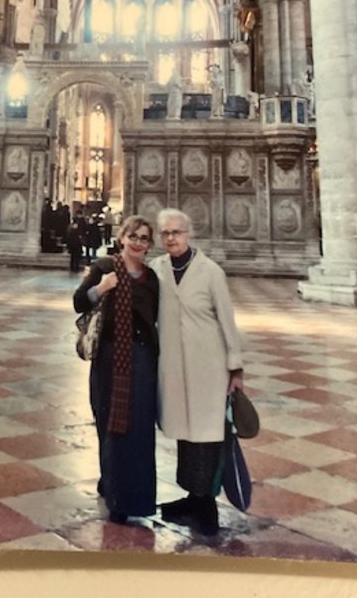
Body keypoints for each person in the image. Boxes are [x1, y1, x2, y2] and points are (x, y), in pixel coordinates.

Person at [150, 208, 244, 536]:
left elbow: (227, 319)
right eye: (165, 233)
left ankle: (207, 504)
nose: (171, 238)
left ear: (188, 234)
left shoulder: (210, 271)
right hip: (174, 364)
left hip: (209, 365)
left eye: (176, 232)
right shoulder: (157, 268)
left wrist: (235, 367)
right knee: (186, 431)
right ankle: (192, 496)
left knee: (207, 433)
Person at [73, 215, 159, 524]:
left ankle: (137, 496)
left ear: (149, 244)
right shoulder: (104, 268)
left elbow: (155, 318)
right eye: (133, 236)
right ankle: (114, 491)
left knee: (139, 427)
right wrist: (101, 288)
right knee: (110, 422)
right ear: (121, 237)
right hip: (110, 357)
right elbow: (79, 302)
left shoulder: (151, 278)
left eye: (144, 238)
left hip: (142, 359)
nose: (137, 242)